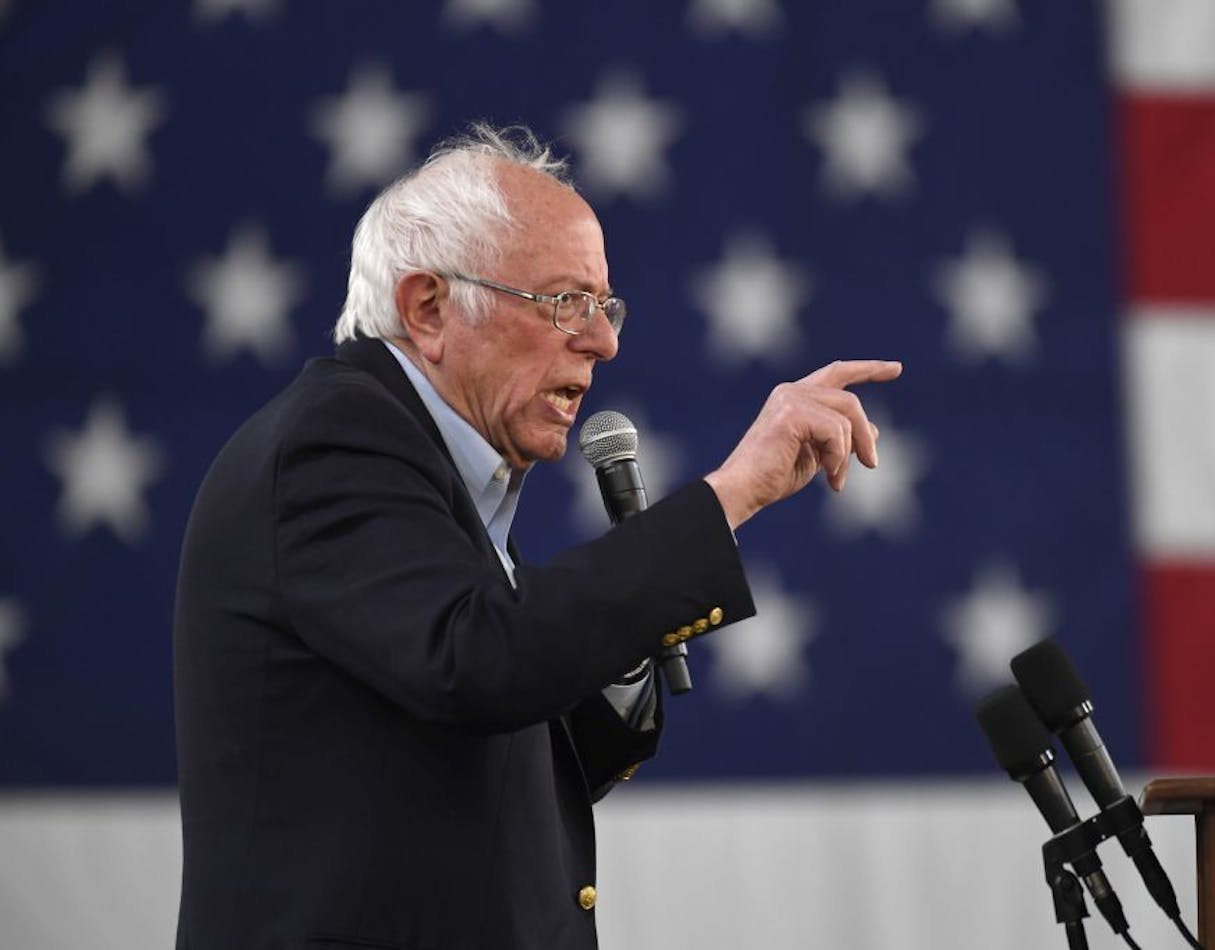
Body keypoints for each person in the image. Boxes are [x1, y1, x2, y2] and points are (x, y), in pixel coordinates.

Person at [173, 123, 901, 950]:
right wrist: (727, 497)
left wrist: (622, 647)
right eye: (566, 302)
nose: (604, 340)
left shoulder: (442, 475)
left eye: (604, 305)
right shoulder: (336, 442)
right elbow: (478, 660)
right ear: (429, 307)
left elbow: (530, 748)